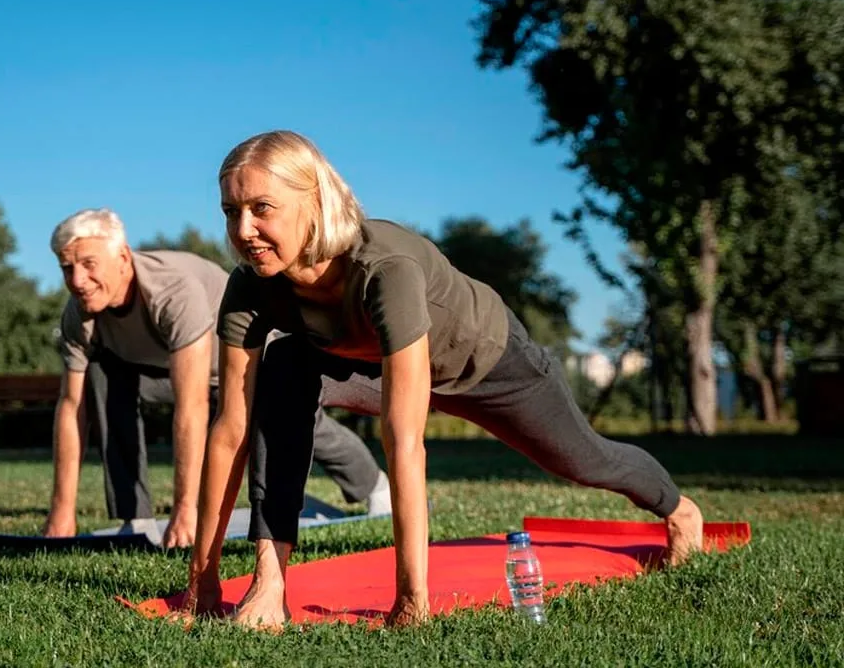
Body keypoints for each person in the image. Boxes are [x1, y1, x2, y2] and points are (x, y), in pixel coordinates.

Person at [181, 130, 705, 628]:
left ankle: (679, 509)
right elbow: (232, 430)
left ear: (314, 202)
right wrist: (201, 584)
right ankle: (269, 585)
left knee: (583, 459)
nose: (243, 230)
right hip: (373, 367)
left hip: (488, 365)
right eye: (232, 211)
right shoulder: (251, 288)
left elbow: (404, 441)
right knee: (285, 370)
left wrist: (412, 601)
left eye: (261, 209)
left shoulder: (385, 269)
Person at [44, 207, 390, 549]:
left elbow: (191, 405)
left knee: (290, 420)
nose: (77, 281)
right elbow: (72, 406)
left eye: (89, 264)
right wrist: (61, 512)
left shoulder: (171, 290)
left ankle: (374, 486)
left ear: (122, 257)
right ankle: (136, 517)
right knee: (101, 377)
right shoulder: (80, 313)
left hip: (241, 364)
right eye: (67, 268)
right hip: (166, 371)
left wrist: (186, 510)